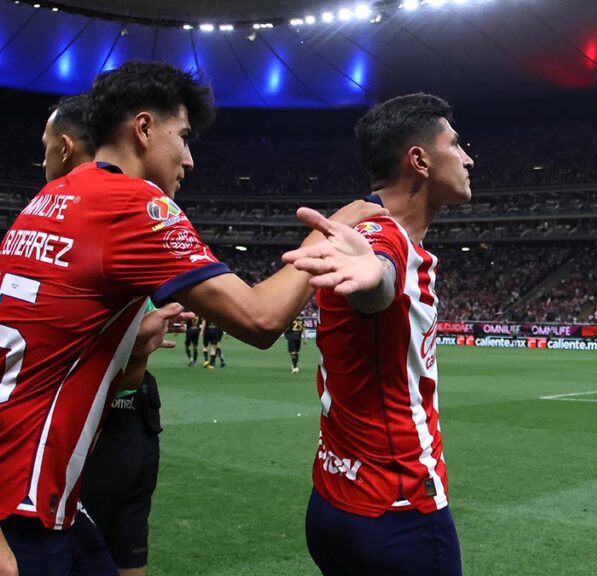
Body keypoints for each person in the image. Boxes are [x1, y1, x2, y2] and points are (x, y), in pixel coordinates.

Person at [0, 61, 385, 575]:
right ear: (143, 129)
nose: (189, 159)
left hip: (49, 500)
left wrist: (131, 343)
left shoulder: (51, 197)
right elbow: (261, 319)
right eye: (182, 137)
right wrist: (328, 232)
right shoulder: (134, 204)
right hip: (20, 509)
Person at [285, 93, 473, 576]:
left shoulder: (364, 228)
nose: (468, 157)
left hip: (333, 498)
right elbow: (378, 279)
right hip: (397, 509)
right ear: (420, 160)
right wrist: (375, 281)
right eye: (456, 143)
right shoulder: (381, 236)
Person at [40, 93, 176, 576]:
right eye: (180, 137)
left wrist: (137, 356)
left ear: (66, 148)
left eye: (47, 146)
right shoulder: (49, 228)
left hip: (123, 423)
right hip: (55, 455)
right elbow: (257, 318)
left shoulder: (121, 216)